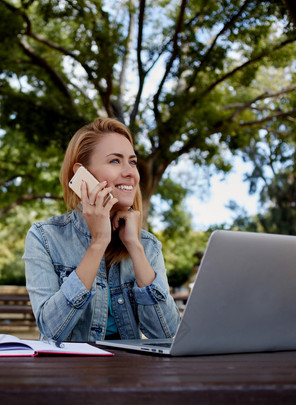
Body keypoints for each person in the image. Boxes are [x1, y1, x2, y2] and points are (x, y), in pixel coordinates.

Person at [23, 117, 181, 343]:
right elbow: (52, 330)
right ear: (82, 174)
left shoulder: (148, 245)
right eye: (115, 161)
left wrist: (135, 247)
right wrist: (98, 242)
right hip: (66, 374)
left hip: (128, 372)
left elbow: (166, 333)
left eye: (132, 162)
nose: (130, 173)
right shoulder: (45, 237)